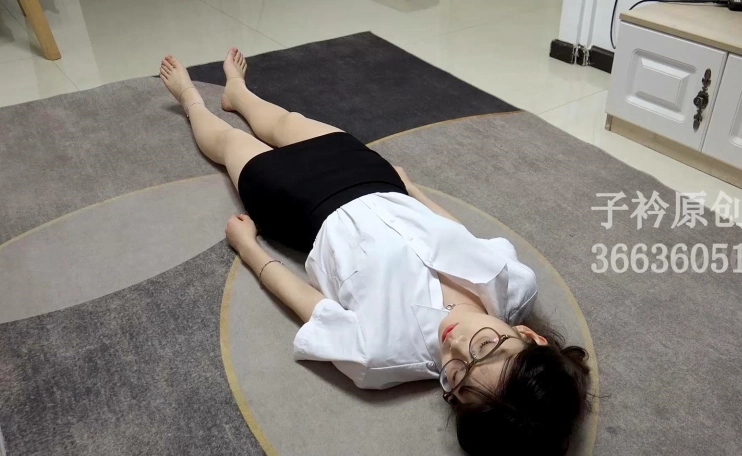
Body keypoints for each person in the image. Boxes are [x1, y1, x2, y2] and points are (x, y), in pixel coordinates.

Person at [159, 48, 591, 455]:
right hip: (374, 179)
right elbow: (458, 236)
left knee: (230, 143)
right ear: (529, 336)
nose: (455, 345)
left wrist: (250, 250)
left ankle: (190, 99)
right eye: (483, 344)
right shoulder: (515, 283)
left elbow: (312, 307)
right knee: (288, 121)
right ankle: (239, 93)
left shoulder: (382, 356)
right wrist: (412, 190)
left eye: (457, 376)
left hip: (301, 207)